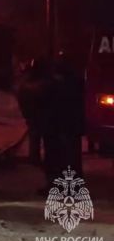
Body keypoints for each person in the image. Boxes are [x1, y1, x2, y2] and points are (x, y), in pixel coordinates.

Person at [40, 53, 85, 190]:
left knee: (56, 158)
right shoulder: (77, 83)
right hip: (70, 126)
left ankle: (56, 184)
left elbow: (48, 105)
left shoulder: (54, 85)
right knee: (71, 157)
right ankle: (73, 185)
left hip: (57, 126)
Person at [17, 58, 49, 165]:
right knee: (42, 136)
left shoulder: (28, 81)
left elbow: (22, 95)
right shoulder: (44, 82)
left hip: (34, 113)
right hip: (40, 113)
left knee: (35, 137)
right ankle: (38, 158)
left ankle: (35, 158)